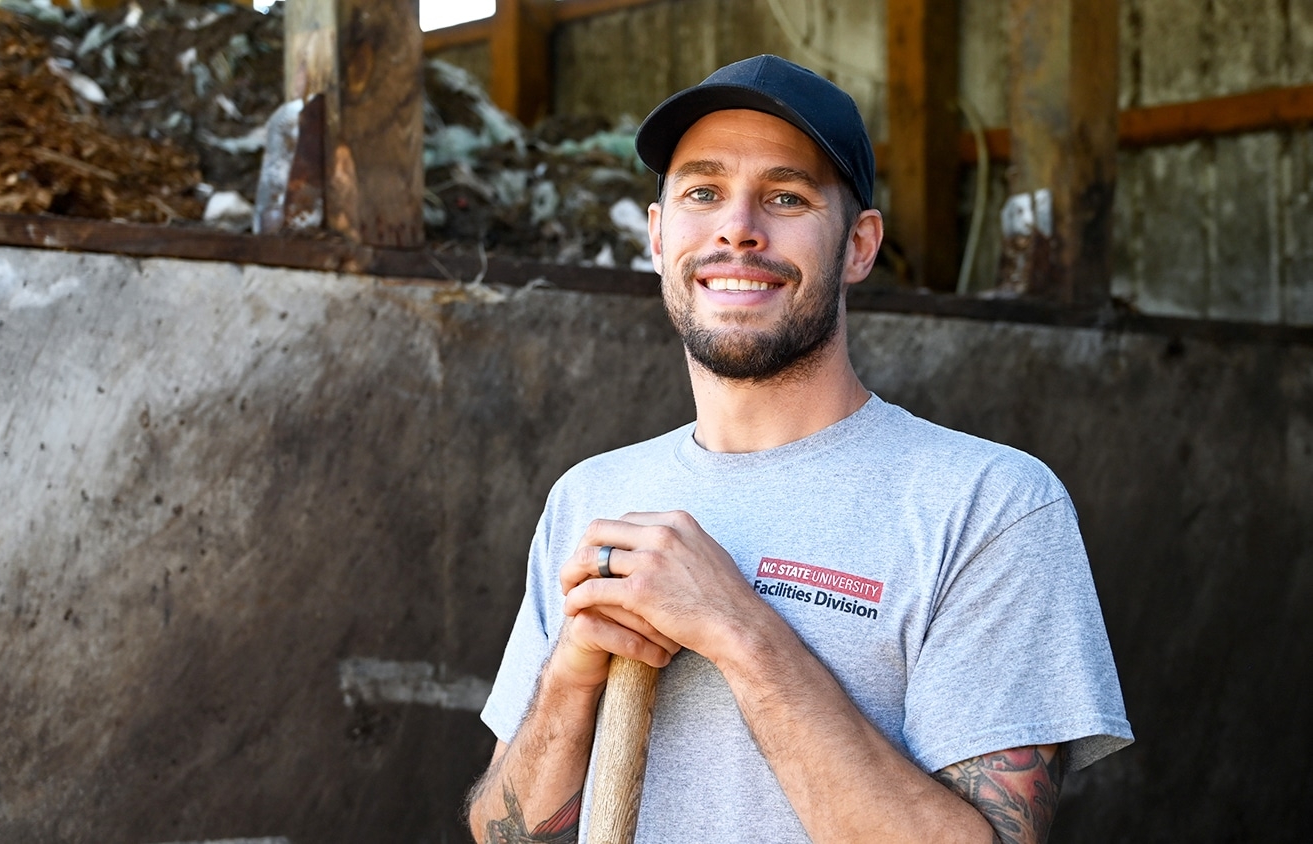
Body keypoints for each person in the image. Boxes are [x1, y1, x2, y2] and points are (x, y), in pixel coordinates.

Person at [465, 55, 1132, 844]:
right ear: (656, 236)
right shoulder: (593, 496)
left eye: (786, 196)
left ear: (859, 245)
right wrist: (570, 679)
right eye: (702, 192)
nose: (737, 226)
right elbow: (505, 836)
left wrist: (738, 627)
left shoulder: (990, 504)